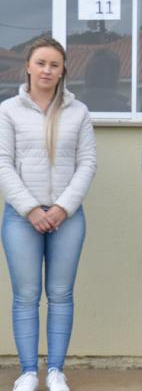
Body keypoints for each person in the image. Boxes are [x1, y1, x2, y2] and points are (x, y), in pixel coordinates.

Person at [0, 37, 97, 391]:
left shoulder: (78, 112)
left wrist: (61, 208)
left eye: (54, 65)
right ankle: (28, 371)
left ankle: (56, 370)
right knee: (25, 295)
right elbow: (3, 164)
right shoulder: (8, 110)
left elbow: (87, 163)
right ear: (28, 66)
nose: (47, 70)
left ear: (63, 71)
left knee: (60, 294)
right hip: (20, 218)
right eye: (41, 63)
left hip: (66, 218)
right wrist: (30, 209)